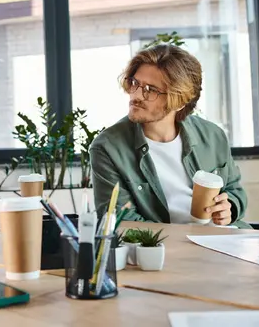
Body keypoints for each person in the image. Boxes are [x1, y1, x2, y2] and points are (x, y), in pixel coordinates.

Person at [90, 44, 249, 229]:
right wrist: (187, 239)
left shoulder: (212, 135)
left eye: (151, 90)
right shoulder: (108, 147)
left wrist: (229, 207)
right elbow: (121, 221)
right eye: (135, 83)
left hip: (227, 240)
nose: (136, 95)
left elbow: (235, 190)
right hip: (164, 248)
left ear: (179, 101)